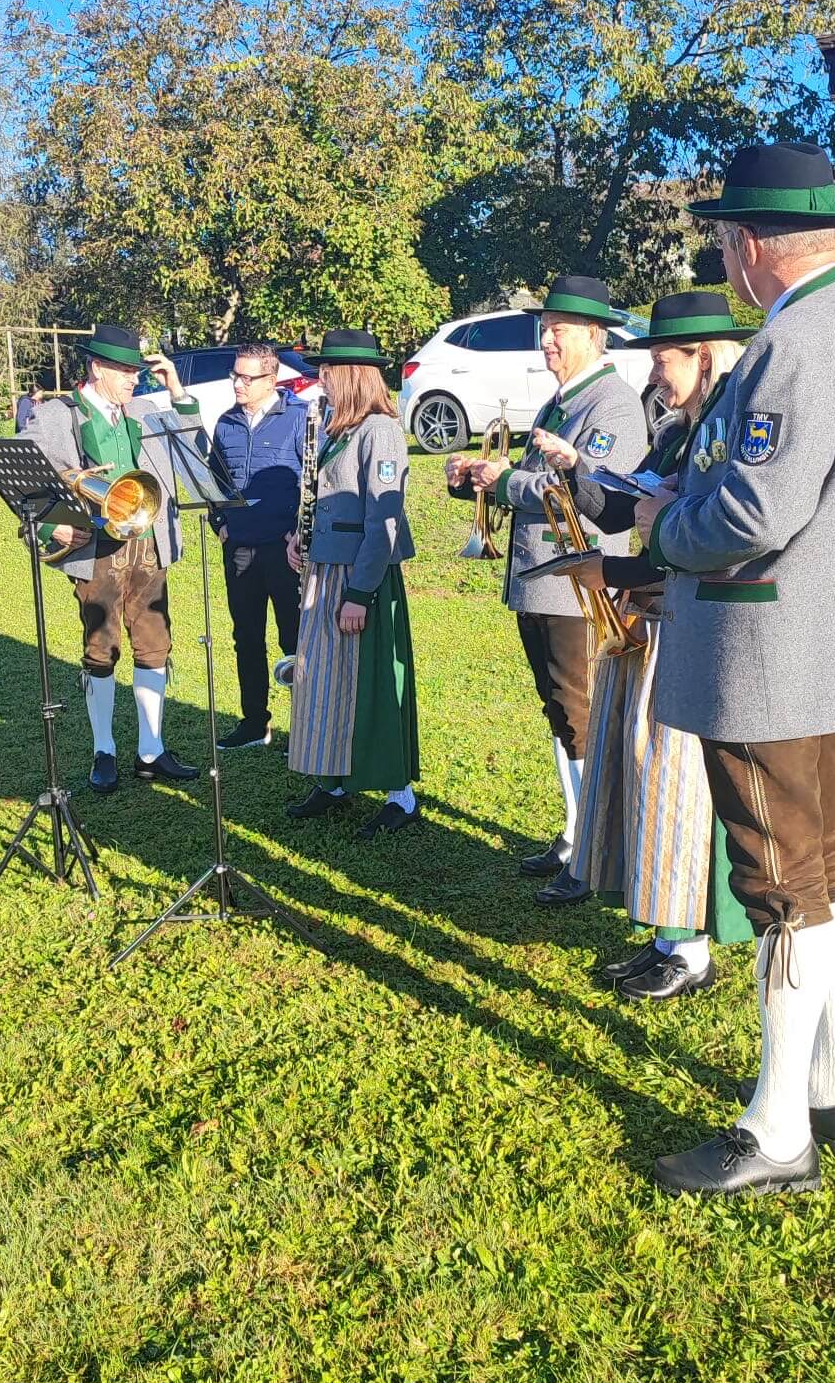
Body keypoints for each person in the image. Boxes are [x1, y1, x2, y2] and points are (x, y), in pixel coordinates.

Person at [631, 142, 835, 1196]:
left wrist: (666, 531)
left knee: (780, 886)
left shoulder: (793, 341)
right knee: (829, 867)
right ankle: (830, 1089)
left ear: (752, 244)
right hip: (830, 643)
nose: (723, 259)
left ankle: (779, 1128)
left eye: (723, 240)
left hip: (768, 654)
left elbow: (757, 510)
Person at [537, 292, 756, 992]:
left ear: (704, 358)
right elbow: (623, 511)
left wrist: (614, 572)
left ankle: (689, 954)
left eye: (665, 360)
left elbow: (703, 544)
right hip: (655, 624)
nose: (656, 373)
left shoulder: (724, 439)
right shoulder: (673, 433)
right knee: (649, 783)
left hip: (692, 631)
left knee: (679, 788)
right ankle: (666, 939)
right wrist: (575, 474)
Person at [446, 275, 647, 897]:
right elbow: (534, 482)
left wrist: (503, 479)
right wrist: (478, 478)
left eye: (560, 329)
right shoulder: (559, 403)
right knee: (560, 712)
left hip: (576, 585)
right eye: (546, 327)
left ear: (595, 336)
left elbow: (595, 493)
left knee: (577, 713)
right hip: (541, 580)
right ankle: (575, 831)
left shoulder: (612, 404)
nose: (547, 339)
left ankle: (591, 850)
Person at [21, 320, 202, 795]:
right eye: (125, 371)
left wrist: (176, 389)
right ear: (97, 368)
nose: (133, 380)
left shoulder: (143, 409)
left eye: (136, 372)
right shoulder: (58, 415)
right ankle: (104, 749)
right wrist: (50, 526)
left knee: (155, 642)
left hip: (149, 542)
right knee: (101, 647)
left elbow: (193, 446)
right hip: (97, 548)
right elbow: (26, 483)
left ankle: (151, 750)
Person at [284, 329, 420, 838]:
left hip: (363, 577)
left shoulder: (380, 430)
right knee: (324, 680)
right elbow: (323, 498)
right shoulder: (336, 427)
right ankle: (335, 779)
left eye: (327, 371)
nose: (320, 379)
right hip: (326, 569)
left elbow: (383, 522)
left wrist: (359, 595)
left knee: (373, 685)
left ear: (350, 376)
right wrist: (298, 538)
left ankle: (400, 796)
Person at [209, 343, 306, 751]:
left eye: (248, 377)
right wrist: (220, 525)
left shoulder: (300, 418)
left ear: (272, 379)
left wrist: (299, 532)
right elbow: (214, 481)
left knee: (295, 640)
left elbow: (313, 481)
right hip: (240, 548)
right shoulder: (225, 423)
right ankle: (254, 723)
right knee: (246, 637)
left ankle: (304, 727)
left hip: (285, 551)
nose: (238, 384)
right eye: (236, 375)